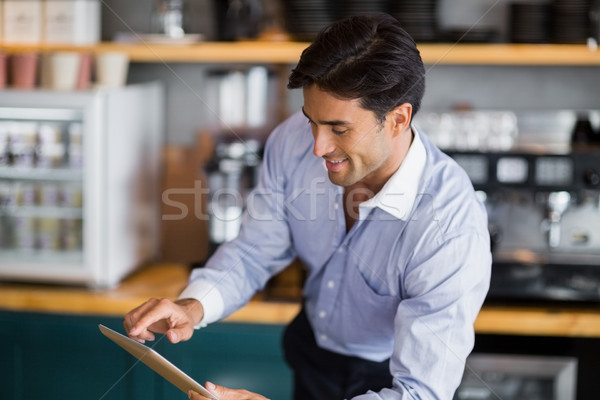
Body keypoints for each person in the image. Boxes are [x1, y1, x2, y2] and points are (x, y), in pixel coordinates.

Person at [124, 13, 491, 400]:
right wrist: (192, 306)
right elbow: (253, 252)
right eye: (311, 121)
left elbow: (420, 394)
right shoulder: (291, 142)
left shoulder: (449, 228)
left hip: (388, 375)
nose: (317, 147)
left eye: (339, 129)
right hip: (312, 352)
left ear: (398, 119)